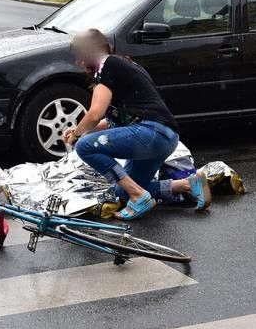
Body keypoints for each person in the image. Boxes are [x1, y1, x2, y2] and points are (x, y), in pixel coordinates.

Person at [64, 29, 211, 220]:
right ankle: (187, 185)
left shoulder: (107, 65)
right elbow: (114, 120)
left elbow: (94, 114)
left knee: (84, 146)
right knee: (122, 191)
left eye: (79, 56)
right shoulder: (125, 65)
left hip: (149, 133)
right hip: (165, 136)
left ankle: (139, 196)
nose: (78, 62)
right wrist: (78, 130)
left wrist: (77, 136)